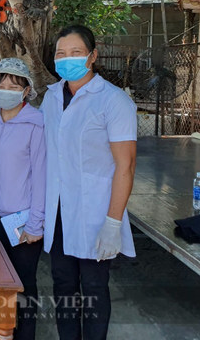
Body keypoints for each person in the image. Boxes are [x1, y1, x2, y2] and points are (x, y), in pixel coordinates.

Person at [41, 25, 137, 340]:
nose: (67, 59)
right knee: (63, 284)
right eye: (61, 54)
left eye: (76, 53)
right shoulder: (51, 97)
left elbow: (126, 165)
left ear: (92, 56)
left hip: (96, 211)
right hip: (58, 210)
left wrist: (113, 222)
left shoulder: (113, 101)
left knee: (94, 287)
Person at [0, 58, 46, 340]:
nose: (6, 90)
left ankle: (23, 335)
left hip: (22, 221)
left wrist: (36, 224)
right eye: (0, 84)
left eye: (13, 85)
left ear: (26, 90)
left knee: (23, 283)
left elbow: (42, 176)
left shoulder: (37, 123)